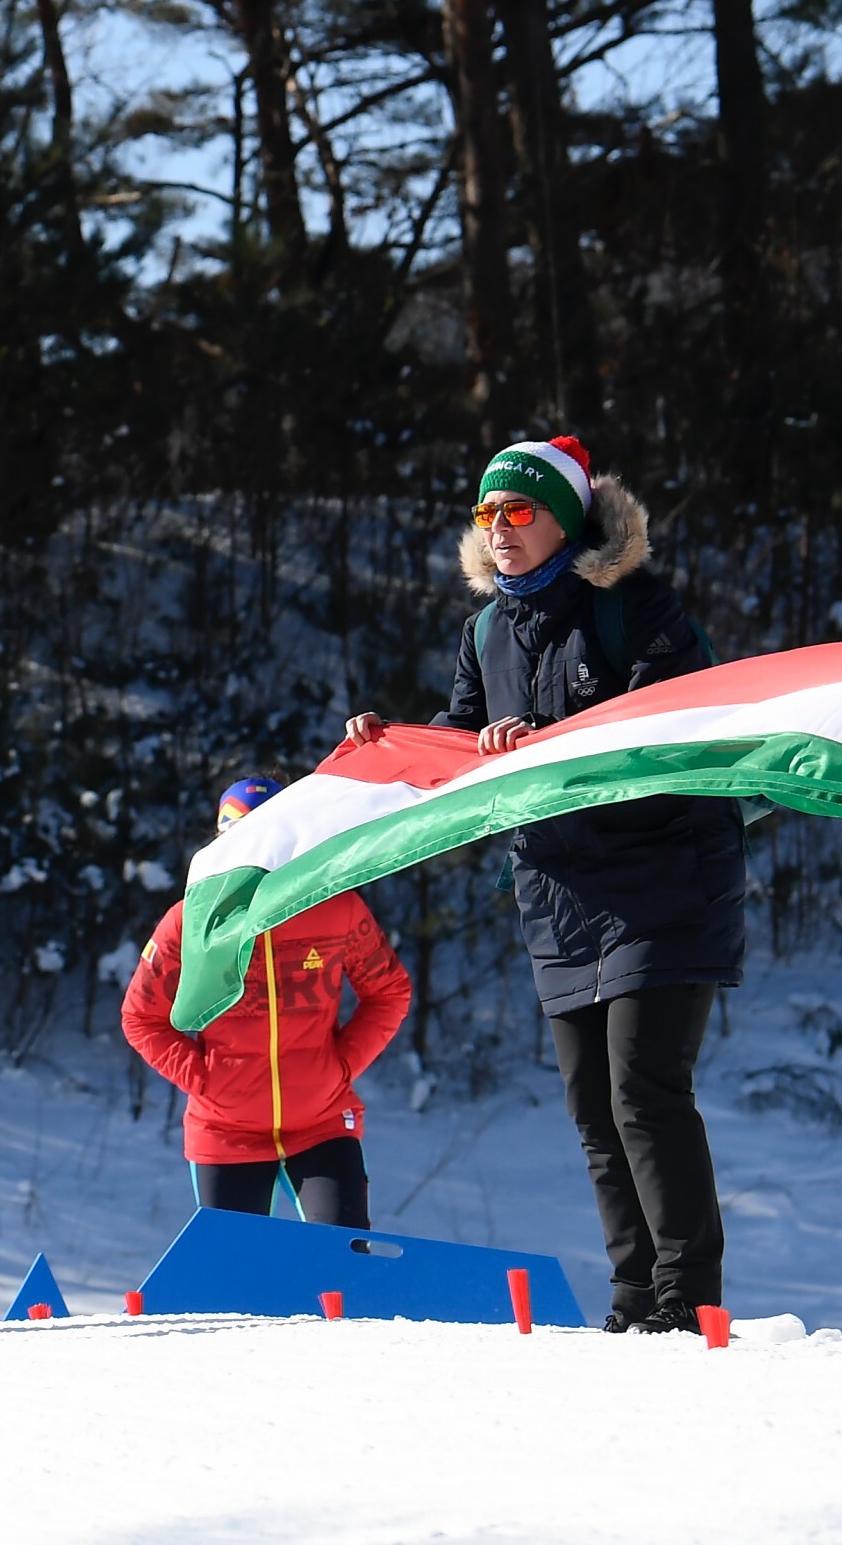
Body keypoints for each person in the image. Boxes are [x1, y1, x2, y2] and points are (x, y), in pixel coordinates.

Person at [343, 437, 743, 1333]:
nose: (499, 529)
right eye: (487, 515)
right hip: (560, 892)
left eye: (518, 511)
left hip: (667, 877)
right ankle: (634, 1298)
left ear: (566, 520)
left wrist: (546, 739)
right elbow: (457, 744)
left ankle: (688, 1300)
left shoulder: (633, 604)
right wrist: (390, 741)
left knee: (645, 1087)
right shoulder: (483, 632)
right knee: (592, 1106)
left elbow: (666, 725)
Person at [120, 776, 412, 1227]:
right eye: (237, 836)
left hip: (322, 1123)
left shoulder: (335, 907)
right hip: (225, 1132)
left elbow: (389, 991)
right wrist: (205, 1079)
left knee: (344, 1262)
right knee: (234, 1286)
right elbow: (141, 1017)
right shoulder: (190, 922)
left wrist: (341, 1067)